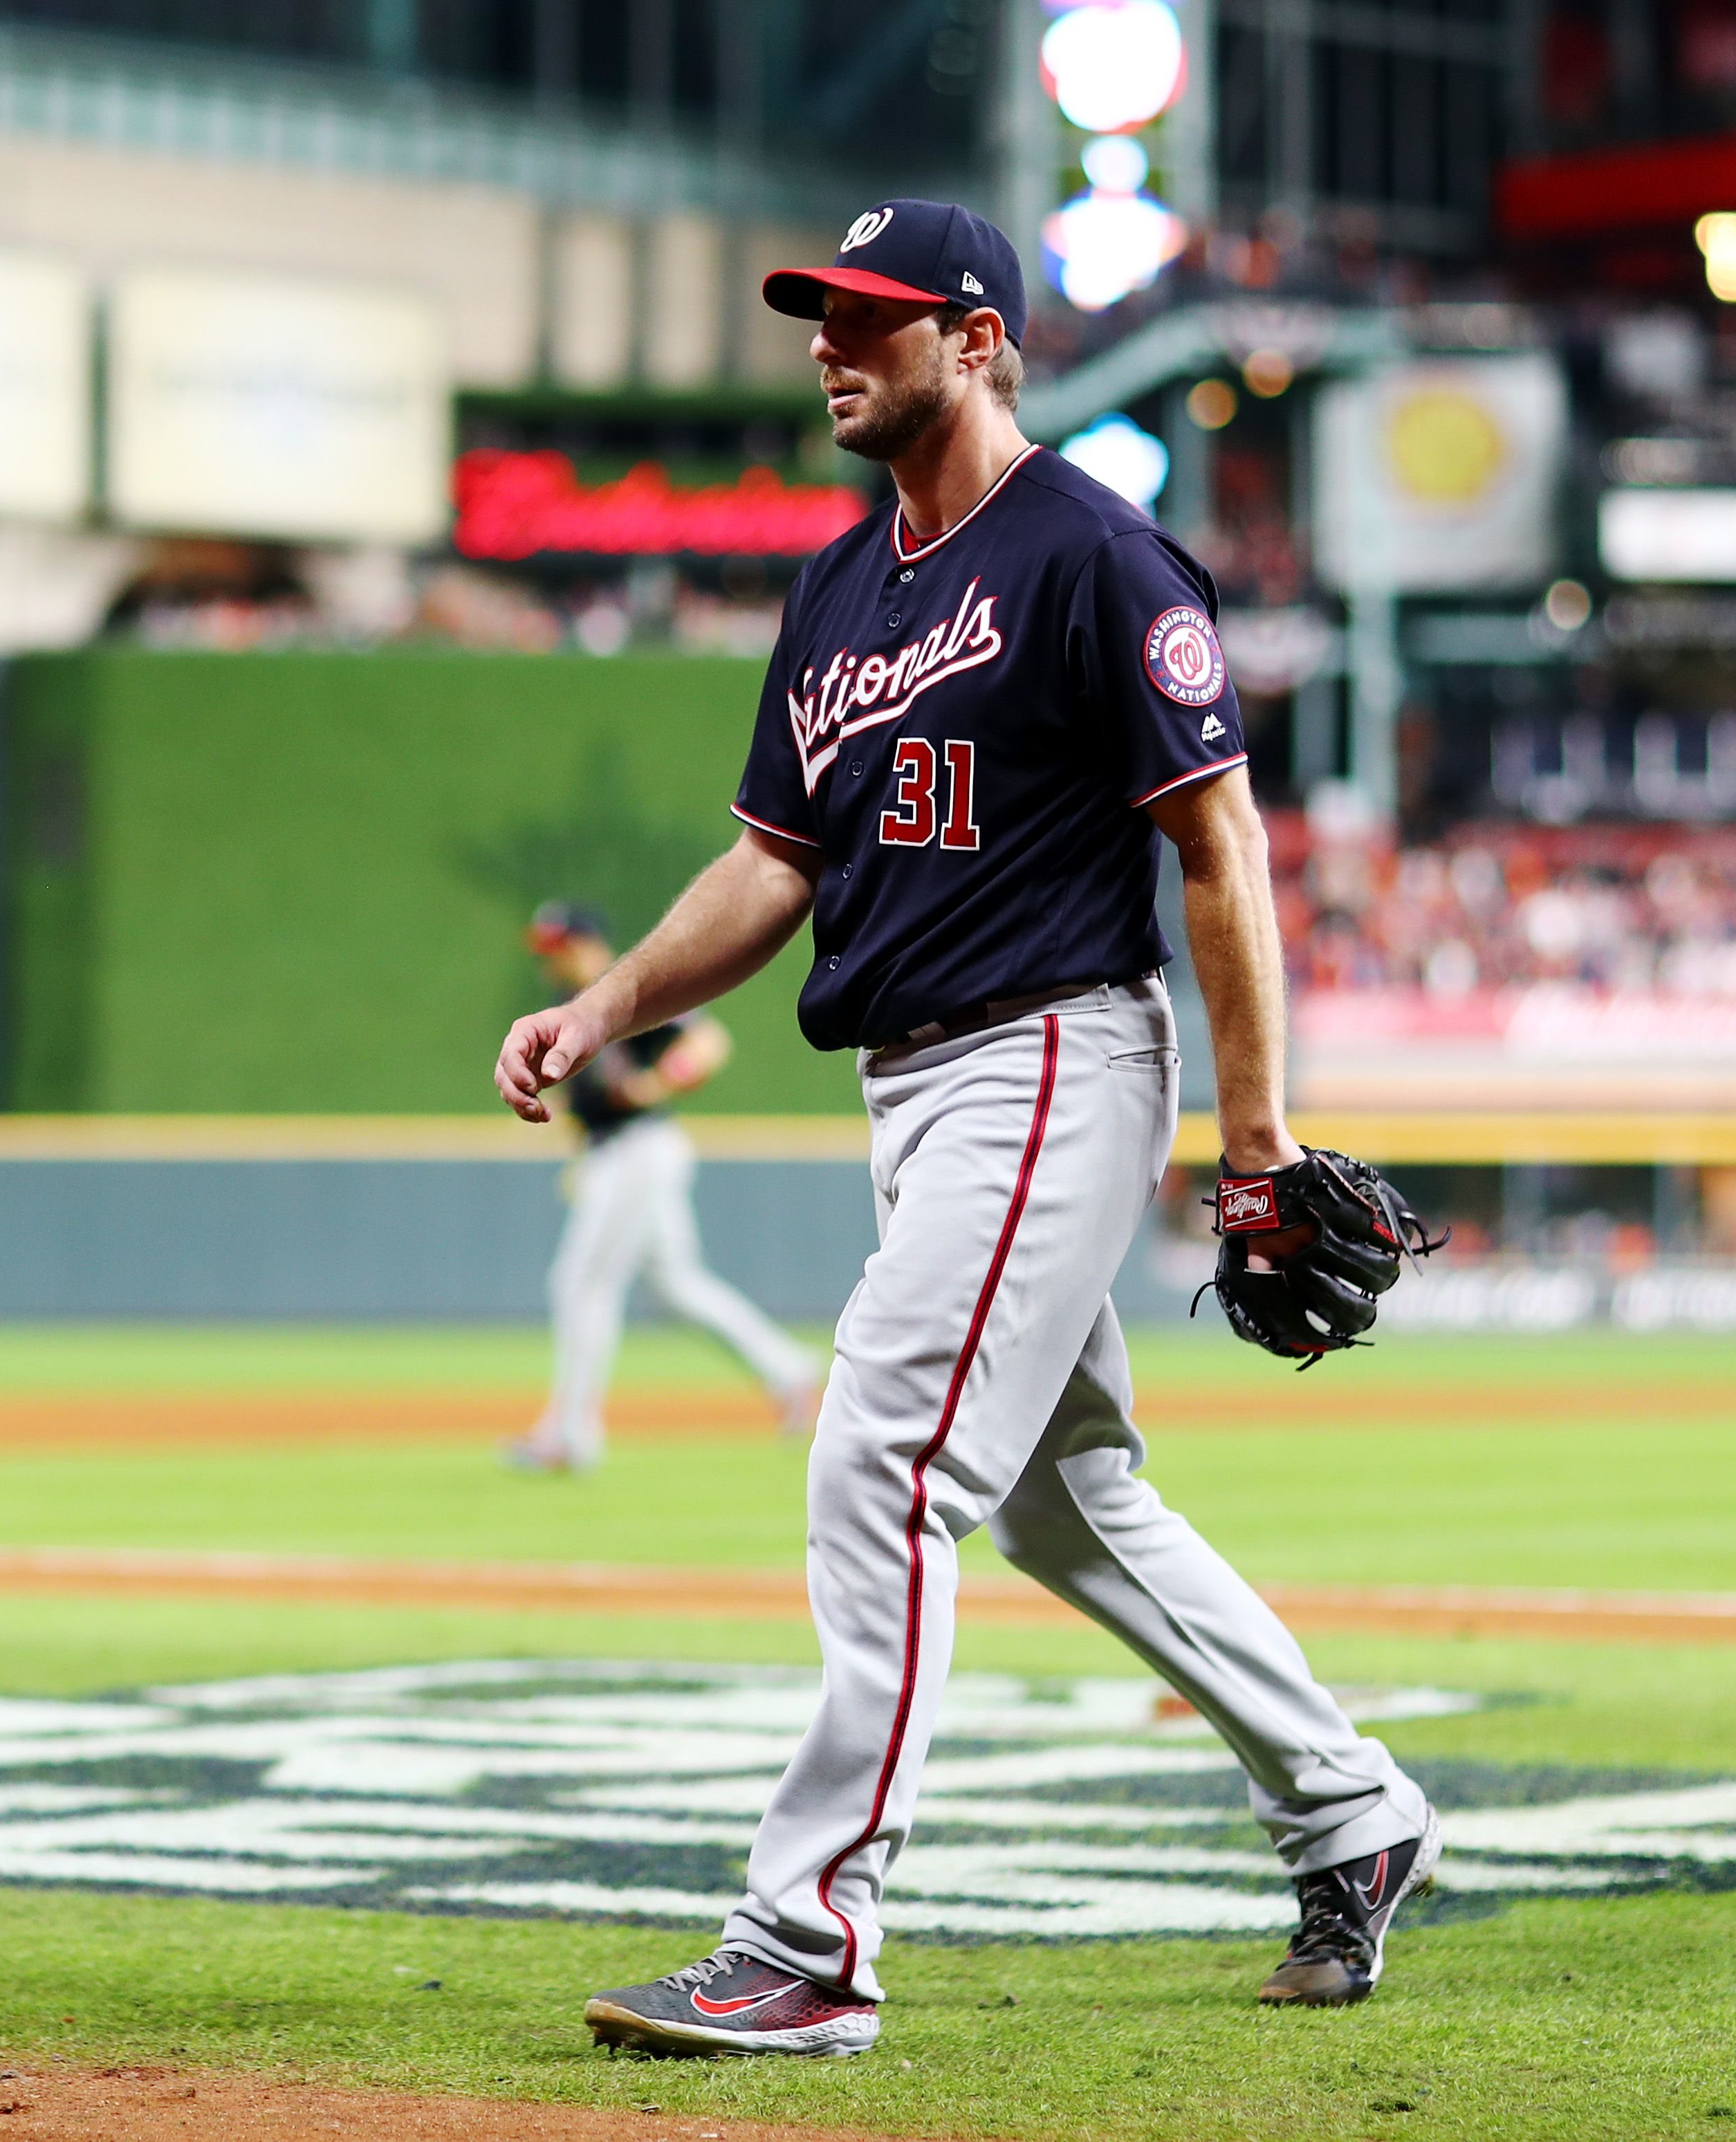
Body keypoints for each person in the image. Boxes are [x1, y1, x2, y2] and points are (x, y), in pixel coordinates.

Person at [492, 199, 1440, 2058]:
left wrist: (1250, 1150)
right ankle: (1352, 1813)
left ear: (978, 337)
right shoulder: (841, 585)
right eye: (817, 319)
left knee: (881, 1456)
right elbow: (773, 864)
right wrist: (605, 1005)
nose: (830, 348)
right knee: (1060, 1499)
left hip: (1049, 1057)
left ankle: (806, 1933)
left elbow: (1218, 844)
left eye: (869, 318)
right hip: (918, 1089)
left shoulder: (1093, 555)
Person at [508, 900, 822, 1474]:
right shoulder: (575, 1005)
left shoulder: (620, 991)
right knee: (677, 1284)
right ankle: (790, 1369)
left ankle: (571, 1435)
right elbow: (593, 1094)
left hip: (638, 1151)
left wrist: (655, 1085)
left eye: (560, 948)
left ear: (587, 942)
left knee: (582, 1282)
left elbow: (708, 1043)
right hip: (619, 1154)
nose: (553, 961)